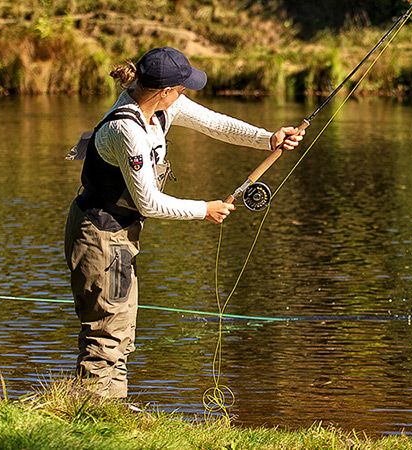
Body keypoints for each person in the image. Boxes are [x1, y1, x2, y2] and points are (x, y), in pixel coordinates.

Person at [63, 46, 303, 399]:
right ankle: (91, 406)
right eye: (182, 87)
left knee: (122, 325)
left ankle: (108, 407)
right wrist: (203, 209)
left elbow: (215, 123)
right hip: (100, 232)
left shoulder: (160, 106)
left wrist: (268, 138)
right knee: (107, 326)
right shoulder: (126, 130)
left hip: (121, 230)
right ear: (164, 91)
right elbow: (149, 201)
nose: (185, 93)